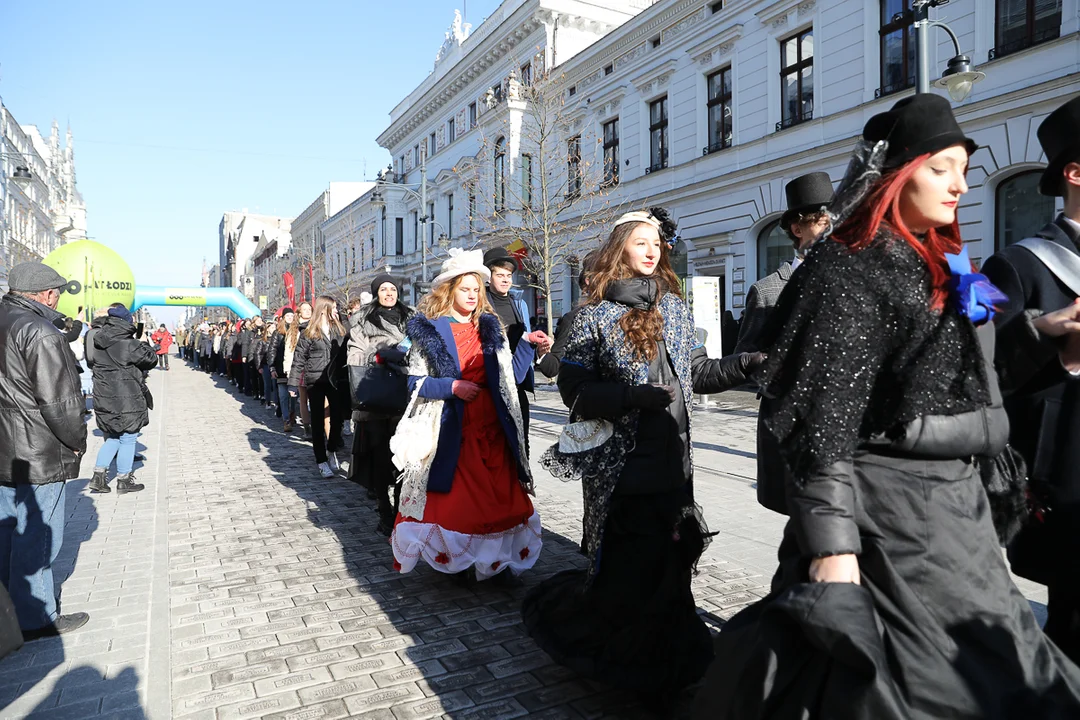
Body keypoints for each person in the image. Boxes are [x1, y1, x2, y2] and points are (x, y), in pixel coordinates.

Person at [694, 94, 1080, 719]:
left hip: (963, 518)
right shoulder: (847, 265)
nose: (960, 182)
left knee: (1007, 680)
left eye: (963, 166)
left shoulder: (956, 262)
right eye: (941, 167)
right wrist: (834, 553)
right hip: (891, 524)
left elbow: (981, 367)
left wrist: (1046, 331)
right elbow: (822, 426)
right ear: (897, 173)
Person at [521, 209, 762, 712]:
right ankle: (625, 669)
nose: (653, 251)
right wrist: (631, 397)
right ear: (619, 251)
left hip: (675, 461)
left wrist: (745, 364)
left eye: (657, 243)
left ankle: (669, 663)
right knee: (630, 569)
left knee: (671, 565)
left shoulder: (674, 308)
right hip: (621, 469)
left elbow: (696, 373)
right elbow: (574, 390)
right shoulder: (592, 315)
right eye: (641, 243)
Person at [982, 94, 1080, 664]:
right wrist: (1043, 332)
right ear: (1073, 171)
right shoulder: (1012, 264)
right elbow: (974, 366)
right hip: (1064, 482)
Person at [392, 248, 545, 582]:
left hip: (493, 429)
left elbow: (512, 378)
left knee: (500, 501)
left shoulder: (492, 328)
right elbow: (414, 383)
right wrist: (452, 387)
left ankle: (495, 562)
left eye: (477, 289)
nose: (473, 295)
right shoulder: (430, 331)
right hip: (453, 431)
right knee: (461, 504)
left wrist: (529, 344)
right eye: (466, 289)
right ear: (450, 290)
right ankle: (460, 564)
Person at [0, 262, 89, 639]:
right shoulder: (40, 331)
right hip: (38, 450)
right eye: (55, 293)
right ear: (44, 295)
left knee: (7, 532)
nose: (57, 300)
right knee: (37, 535)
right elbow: (60, 402)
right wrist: (78, 441)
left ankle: (8, 610)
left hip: (5, 448)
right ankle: (37, 616)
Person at [735, 172, 834, 354]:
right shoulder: (766, 292)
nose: (831, 231)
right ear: (797, 229)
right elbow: (743, 362)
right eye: (822, 223)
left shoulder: (847, 282)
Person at [348, 274, 413, 536]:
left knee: (403, 457)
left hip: (406, 396)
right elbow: (354, 354)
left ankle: (399, 509)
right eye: (383, 289)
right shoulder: (363, 320)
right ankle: (384, 509)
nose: (389, 293)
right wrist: (379, 356)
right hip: (375, 396)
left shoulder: (413, 318)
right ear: (376, 293)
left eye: (393, 289)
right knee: (379, 457)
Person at [483, 248, 550, 454]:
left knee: (522, 444)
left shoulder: (519, 303)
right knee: (494, 446)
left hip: (517, 381)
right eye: (500, 275)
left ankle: (522, 484)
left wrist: (539, 348)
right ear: (488, 277)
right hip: (490, 384)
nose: (505, 280)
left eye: (508, 275)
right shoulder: (481, 304)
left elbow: (525, 339)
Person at [87, 304, 157, 495]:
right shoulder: (129, 344)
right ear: (127, 322)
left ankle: (98, 477)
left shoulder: (98, 341)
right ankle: (124, 480)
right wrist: (143, 342)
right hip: (127, 398)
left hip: (104, 397)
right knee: (128, 437)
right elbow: (151, 360)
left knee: (114, 436)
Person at [288, 296, 348, 478]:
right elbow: (299, 359)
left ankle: (331, 450)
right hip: (315, 380)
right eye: (334, 308)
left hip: (334, 380)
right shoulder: (308, 332)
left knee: (338, 418)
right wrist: (293, 382)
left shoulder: (339, 329)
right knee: (317, 421)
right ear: (324, 309)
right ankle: (321, 460)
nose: (337, 311)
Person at [536, 251, 598, 379]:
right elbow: (553, 367)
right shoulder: (575, 318)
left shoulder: (630, 312)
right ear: (588, 281)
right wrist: (543, 352)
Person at [272, 308, 300, 432]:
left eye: (291, 315)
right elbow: (272, 350)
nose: (289, 317)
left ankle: (292, 414)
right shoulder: (278, 332)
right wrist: (272, 367)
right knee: (283, 396)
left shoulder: (298, 330)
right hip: (281, 369)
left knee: (293, 396)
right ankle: (286, 419)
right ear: (283, 317)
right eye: (287, 315)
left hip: (294, 368)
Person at [296, 301, 315, 439]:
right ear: (299, 312)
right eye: (305, 309)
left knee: (315, 398)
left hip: (314, 366)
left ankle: (317, 424)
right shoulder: (295, 329)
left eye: (309, 309)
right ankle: (307, 427)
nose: (308, 311)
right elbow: (292, 350)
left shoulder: (316, 325)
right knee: (303, 399)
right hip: (301, 366)